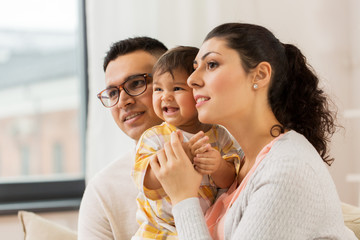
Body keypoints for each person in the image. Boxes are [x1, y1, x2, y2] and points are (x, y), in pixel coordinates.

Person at [149, 23, 357, 239]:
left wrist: (183, 198)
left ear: (259, 75)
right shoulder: (240, 161)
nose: (192, 80)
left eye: (211, 64)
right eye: (195, 67)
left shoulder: (287, 168)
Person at [132, 46, 242, 239]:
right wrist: (180, 155)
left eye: (177, 88)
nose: (165, 96)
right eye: (158, 89)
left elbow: (230, 181)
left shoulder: (219, 135)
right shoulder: (154, 137)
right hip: (158, 231)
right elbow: (144, 180)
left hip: (202, 228)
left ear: (199, 92)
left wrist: (218, 166)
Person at [77, 37, 167, 240]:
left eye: (136, 83)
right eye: (112, 92)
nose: (123, 101)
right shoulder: (102, 191)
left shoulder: (225, 154)